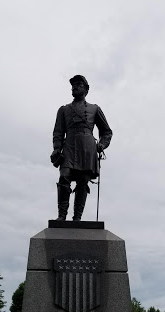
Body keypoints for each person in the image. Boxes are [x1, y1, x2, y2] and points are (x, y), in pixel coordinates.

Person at [51, 75, 113, 221]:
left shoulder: (94, 109)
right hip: (70, 146)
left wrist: (102, 145)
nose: (75, 87)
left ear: (86, 89)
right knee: (64, 176)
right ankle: (61, 216)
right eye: (73, 85)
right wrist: (56, 149)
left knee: (83, 180)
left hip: (87, 148)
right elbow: (58, 132)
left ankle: (77, 217)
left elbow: (106, 131)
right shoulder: (64, 110)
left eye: (79, 84)